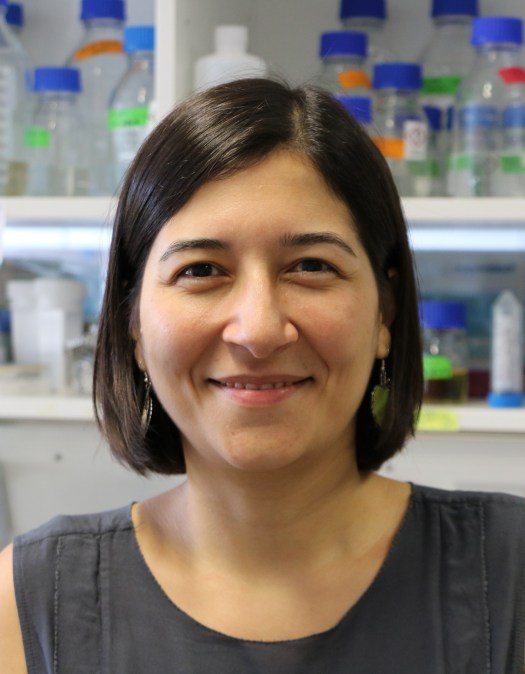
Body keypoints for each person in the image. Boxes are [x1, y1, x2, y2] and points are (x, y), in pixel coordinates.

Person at [0, 77, 524, 673]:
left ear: (386, 313)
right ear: (134, 325)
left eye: (311, 266)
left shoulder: (507, 576)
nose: (258, 330)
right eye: (201, 270)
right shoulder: (29, 606)